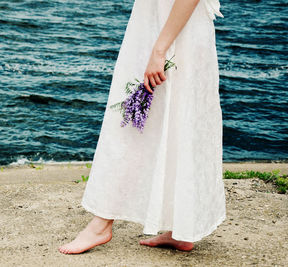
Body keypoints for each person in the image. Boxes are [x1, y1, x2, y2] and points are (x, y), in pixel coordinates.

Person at [59, 0, 226, 254]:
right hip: (173, 29)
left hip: (169, 34)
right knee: (181, 123)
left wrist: (160, 50)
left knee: (131, 123)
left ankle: (101, 224)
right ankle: (182, 227)